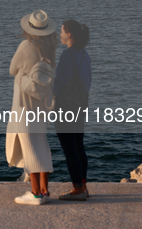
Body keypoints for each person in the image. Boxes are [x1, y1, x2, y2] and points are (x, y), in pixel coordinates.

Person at [6, 10, 58, 205]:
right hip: (41, 106)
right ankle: (44, 190)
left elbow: (12, 70)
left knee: (29, 149)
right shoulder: (50, 49)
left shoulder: (26, 46)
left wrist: (22, 74)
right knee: (41, 146)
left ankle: (35, 194)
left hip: (24, 105)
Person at [54, 20, 91, 201]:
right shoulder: (85, 55)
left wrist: (50, 101)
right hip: (80, 105)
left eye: (61, 31)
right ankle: (83, 185)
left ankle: (77, 189)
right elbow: (87, 82)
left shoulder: (67, 55)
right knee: (78, 146)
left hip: (65, 107)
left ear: (69, 34)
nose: (59, 34)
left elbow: (59, 83)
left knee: (69, 148)